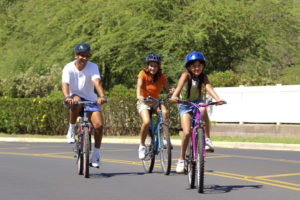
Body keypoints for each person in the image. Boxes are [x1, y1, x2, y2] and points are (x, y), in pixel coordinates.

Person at [170, 51, 226, 173]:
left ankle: (207, 139)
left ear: (203, 66)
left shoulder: (203, 77)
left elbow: (209, 88)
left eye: (199, 65)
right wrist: (174, 96)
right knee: (186, 133)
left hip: (197, 102)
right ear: (189, 67)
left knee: (204, 108)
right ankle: (181, 160)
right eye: (194, 65)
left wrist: (218, 99)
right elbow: (179, 87)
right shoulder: (185, 75)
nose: (197, 68)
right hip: (185, 105)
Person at [62, 43, 107, 168]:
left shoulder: (93, 67)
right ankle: (71, 130)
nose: (85, 58)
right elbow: (65, 84)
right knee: (75, 101)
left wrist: (102, 96)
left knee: (99, 125)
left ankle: (96, 154)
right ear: (76, 55)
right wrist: (67, 97)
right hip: (75, 97)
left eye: (87, 56)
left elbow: (96, 81)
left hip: (90, 99)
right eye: (82, 56)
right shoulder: (68, 67)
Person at [136, 53, 175, 160]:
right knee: (147, 122)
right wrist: (139, 96)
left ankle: (166, 139)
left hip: (155, 101)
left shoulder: (161, 76)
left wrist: (172, 91)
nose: (153, 68)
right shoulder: (142, 74)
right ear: (148, 65)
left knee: (164, 113)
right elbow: (139, 87)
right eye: (151, 65)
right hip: (143, 101)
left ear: (158, 67)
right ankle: (142, 146)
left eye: (155, 66)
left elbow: (168, 88)